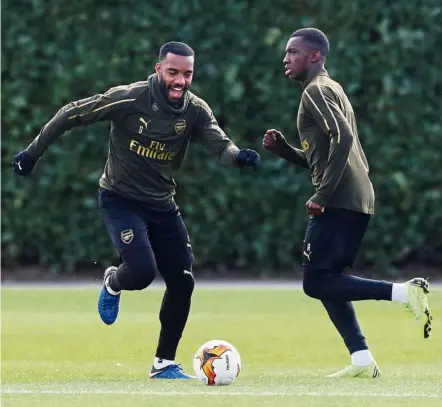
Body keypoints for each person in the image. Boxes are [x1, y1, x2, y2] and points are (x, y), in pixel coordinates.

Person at [12, 41, 260, 380]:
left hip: (162, 205)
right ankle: (113, 281)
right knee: (142, 272)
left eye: (187, 74)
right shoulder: (130, 98)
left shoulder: (195, 110)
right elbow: (72, 112)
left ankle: (163, 365)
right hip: (120, 199)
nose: (180, 81)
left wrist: (238, 156)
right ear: (159, 69)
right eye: (173, 72)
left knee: (183, 282)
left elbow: (220, 144)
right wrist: (32, 153)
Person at [262, 28, 432, 378]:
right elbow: (325, 155)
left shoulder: (316, 90)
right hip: (353, 195)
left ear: (314, 56)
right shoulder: (331, 87)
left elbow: (344, 137)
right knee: (328, 277)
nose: (286, 58)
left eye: (293, 51)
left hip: (340, 197)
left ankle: (405, 292)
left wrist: (322, 195)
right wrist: (285, 153)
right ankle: (361, 359)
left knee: (316, 283)